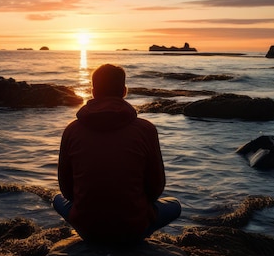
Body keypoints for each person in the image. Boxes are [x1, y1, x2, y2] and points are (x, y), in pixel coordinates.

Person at [53, 63, 181, 245]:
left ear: (93, 91)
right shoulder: (146, 130)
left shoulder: (72, 130)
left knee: (56, 199)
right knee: (174, 205)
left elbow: (66, 190)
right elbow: (156, 188)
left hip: (88, 230)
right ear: (124, 91)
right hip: (133, 229)